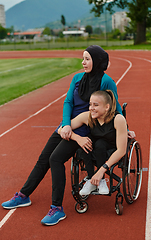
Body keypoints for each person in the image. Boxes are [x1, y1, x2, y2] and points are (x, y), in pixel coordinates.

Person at [1, 45, 126, 226]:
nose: (83, 62)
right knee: (43, 159)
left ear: (97, 61)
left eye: (87, 59)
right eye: (82, 58)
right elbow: (68, 101)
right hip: (68, 125)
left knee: (56, 159)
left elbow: (114, 105)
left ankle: (57, 208)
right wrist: (66, 124)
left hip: (84, 129)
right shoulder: (77, 78)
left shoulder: (106, 81)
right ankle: (23, 195)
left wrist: (124, 126)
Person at [59, 89, 128, 195]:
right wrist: (78, 138)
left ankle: (100, 180)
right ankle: (92, 179)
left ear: (107, 107)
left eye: (95, 105)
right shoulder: (88, 116)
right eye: (90, 104)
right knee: (85, 142)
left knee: (100, 143)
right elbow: (60, 129)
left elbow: (121, 150)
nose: (91, 108)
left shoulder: (118, 119)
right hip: (95, 150)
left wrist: (101, 171)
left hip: (111, 151)